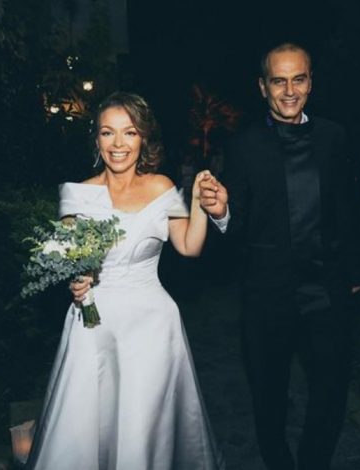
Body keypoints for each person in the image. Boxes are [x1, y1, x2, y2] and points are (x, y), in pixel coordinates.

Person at [25, 92, 225, 470]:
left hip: (152, 328)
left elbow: (189, 246)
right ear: (96, 139)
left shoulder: (162, 187)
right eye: (108, 132)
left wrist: (199, 202)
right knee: (85, 429)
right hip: (93, 328)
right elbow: (71, 262)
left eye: (129, 132)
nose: (118, 144)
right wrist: (76, 282)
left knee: (144, 431)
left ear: (143, 138)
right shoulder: (77, 194)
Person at [199, 43, 360, 470]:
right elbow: (235, 226)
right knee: (268, 396)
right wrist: (221, 213)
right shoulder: (244, 145)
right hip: (268, 294)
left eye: (298, 79)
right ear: (263, 87)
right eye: (279, 81)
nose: (289, 91)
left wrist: (354, 273)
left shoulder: (334, 136)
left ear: (311, 82)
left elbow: (348, 209)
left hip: (326, 293)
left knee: (331, 392)